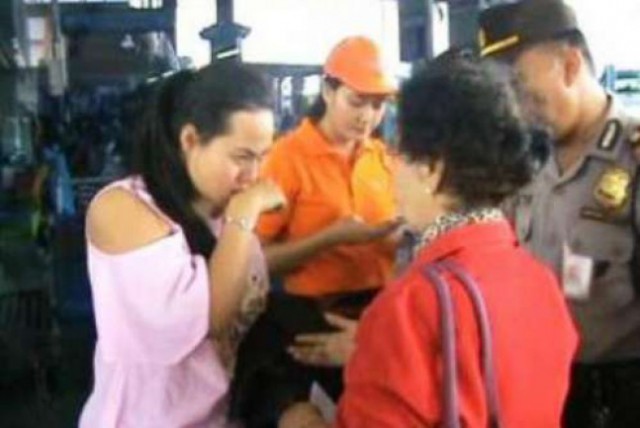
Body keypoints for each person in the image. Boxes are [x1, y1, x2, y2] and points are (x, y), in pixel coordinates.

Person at [278, 55, 578, 428]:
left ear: (431, 170)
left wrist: (303, 421)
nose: (394, 172)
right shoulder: (539, 282)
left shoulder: (411, 307)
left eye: (398, 153)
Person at [79, 62, 285, 428]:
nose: (253, 176)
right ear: (190, 140)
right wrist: (244, 215)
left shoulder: (227, 212)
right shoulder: (124, 208)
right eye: (241, 157)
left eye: (262, 156)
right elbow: (212, 318)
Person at [478, 1, 640, 426]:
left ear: (569, 66)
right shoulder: (526, 162)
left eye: (521, 86)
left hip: (616, 399)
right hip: (533, 389)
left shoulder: (632, 161)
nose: (516, 107)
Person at [227, 36, 401, 427]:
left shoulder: (383, 160)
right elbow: (252, 261)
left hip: (377, 320)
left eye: (378, 105)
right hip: (309, 320)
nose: (367, 117)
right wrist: (329, 239)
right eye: (356, 102)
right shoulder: (286, 159)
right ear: (327, 91)